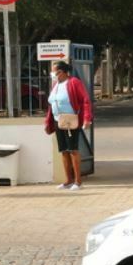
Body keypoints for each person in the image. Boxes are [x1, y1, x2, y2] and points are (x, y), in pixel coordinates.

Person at [43, 59, 92, 191]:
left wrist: (87, 118)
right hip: (58, 120)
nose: (52, 74)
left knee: (73, 150)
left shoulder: (74, 82)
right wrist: (48, 121)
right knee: (63, 150)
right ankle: (68, 180)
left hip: (70, 120)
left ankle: (78, 181)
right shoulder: (55, 85)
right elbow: (51, 104)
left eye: (54, 72)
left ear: (62, 72)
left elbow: (85, 100)